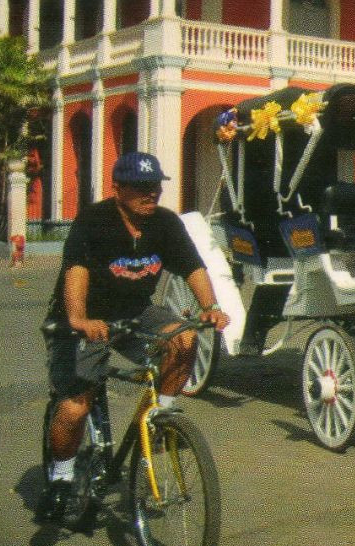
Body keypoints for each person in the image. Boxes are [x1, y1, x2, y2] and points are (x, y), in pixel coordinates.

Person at [39, 152, 230, 523]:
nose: (151, 193)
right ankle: (61, 477)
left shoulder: (166, 223)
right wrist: (79, 318)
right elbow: (75, 271)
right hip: (83, 317)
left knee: (185, 338)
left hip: (134, 312)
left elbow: (193, 267)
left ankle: (163, 418)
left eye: (156, 186)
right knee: (76, 404)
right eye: (141, 187)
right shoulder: (94, 220)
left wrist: (210, 306)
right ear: (118, 188)